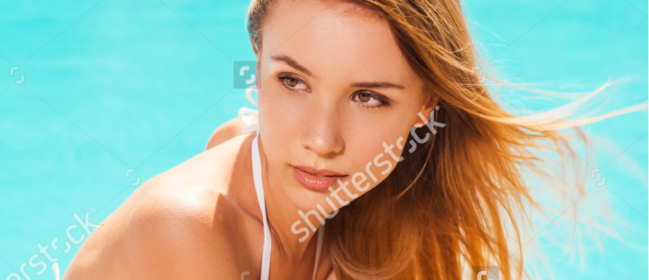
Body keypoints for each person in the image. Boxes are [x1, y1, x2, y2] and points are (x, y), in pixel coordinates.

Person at [65, 0, 642, 279]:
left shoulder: (338, 205)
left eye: (368, 97)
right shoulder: (182, 227)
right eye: (292, 81)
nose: (320, 140)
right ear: (257, 64)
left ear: (426, 106)